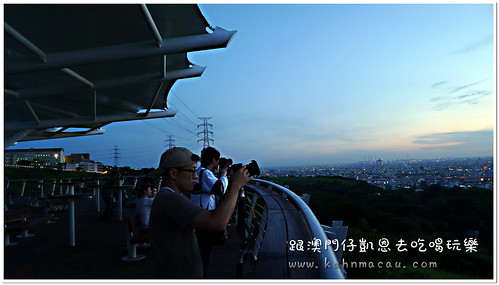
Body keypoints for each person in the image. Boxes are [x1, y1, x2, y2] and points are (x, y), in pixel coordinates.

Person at [148, 147, 251, 278]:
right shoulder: (171, 199)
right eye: (191, 171)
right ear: (173, 173)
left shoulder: (168, 197)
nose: (195, 176)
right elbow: (217, 224)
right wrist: (236, 186)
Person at [189, 147, 229, 276]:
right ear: (213, 160)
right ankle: (202, 276)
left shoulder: (200, 171)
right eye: (217, 161)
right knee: (204, 251)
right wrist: (224, 175)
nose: (218, 164)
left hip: (199, 210)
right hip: (204, 212)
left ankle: (200, 274)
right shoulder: (205, 173)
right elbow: (219, 189)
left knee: (203, 250)